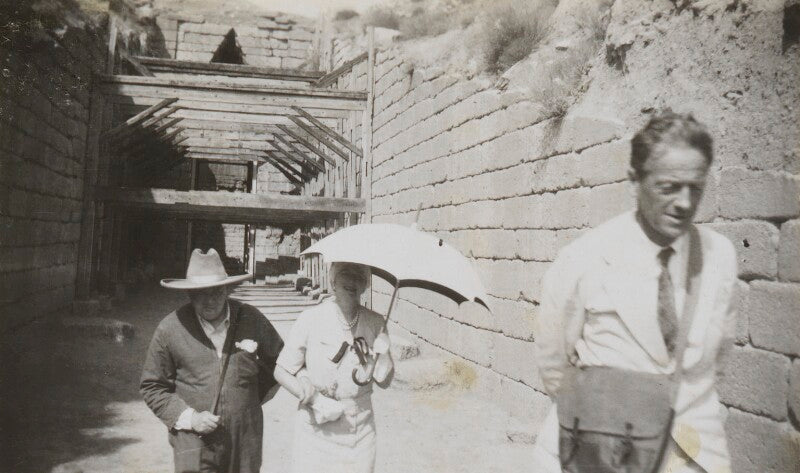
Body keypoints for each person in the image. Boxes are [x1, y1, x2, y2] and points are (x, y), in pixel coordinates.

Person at [532, 112, 737, 473]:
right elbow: (554, 362)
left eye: (697, 188)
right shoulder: (585, 257)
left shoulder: (720, 256)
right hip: (602, 451)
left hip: (691, 454)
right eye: (669, 187)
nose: (685, 203)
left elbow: (715, 359)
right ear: (634, 181)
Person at [140, 248, 284, 473]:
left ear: (227, 289)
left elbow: (280, 361)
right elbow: (152, 386)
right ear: (189, 294)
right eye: (200, 293)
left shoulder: (250, 318)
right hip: (194, 441)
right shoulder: (170, 328)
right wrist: (190, 418)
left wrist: (246, 399)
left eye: (216, 292)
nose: (210, 301)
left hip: (244, 440)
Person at [274, 262, 394, 473]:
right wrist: (314, 399)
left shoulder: (376, 323)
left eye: (359, 276)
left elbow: (384, 382)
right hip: (316, 430)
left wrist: (383, 357)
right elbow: (281, 371)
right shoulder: (311, 319)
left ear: (365, 285)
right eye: (345, 274)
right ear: (333, 281)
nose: (352, 281)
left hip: (360, 432)